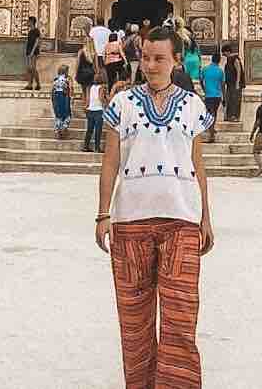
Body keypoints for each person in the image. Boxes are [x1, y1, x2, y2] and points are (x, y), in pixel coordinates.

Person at [96, 26, 215, 389]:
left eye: (159, 58)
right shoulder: (122, 104)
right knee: (135, 322)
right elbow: (110, 161)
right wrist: (103, 214)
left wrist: (206, 217)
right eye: (145, 57)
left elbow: (197, 164)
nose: (150, 64)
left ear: (177, 60)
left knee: (181, 318)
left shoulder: (193, 105)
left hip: (181, 221)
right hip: (131, 220)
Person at [200, 52, 224, 143]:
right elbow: (222, 85)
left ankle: (211, 135)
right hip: (217, 96)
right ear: (219, 61)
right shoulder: (220, 71)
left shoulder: (205, 69)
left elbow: (201, 79)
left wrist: (204, 89)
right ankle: (212, 131)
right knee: (214, 113)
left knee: (210, 114)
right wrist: (224, 97)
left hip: (209, 95)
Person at [84, 70, 107, 152]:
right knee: (98, 130)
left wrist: (86, 107)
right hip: (98, 110)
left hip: (90, 110)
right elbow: (101, 98)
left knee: (89, 129)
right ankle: (97, 148)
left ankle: (85, 146)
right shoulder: (102, 87)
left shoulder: (89, 87)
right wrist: (106, 103)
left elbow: (87, 99)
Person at [223, 44, 246, 121]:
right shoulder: (229, 59)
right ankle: (229, 116)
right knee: (229, 99)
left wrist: (237, 82)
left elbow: (238, 70)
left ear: (228, 52)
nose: (223, 55)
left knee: (235, 100)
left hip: (235, 83)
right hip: (230, 84)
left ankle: (234, 116)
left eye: (224, 53)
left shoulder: (235, 59)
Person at [51, 65, 72, 139]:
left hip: (56, 98)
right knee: (66, 115)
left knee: (58, 115)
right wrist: (71, 98)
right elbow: (70, 89)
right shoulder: (67, 79)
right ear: (65, 72)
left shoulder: (55, 79)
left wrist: (53, 100)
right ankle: (63, 131)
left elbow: (52, 91)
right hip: (64, 97)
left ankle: (58, 132)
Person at [76, 37, 97, 103]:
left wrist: (76, 73)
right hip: (90, 73)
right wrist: (96, 72)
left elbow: (78, 63)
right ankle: (88, 104)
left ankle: (84, 103)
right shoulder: (94, 53)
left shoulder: (81, 52)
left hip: (82, 72)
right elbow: (95, 65)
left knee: (84, 90)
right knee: (89, 90)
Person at [24, 16, 41, 91]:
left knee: (33, 68)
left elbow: (37, 42)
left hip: (33, 51)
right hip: (29, 50)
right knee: (29, 68)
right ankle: (29, 84)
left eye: (28, 21)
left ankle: (38, 84)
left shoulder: (36, 31)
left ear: (31, 22)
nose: (27, 23)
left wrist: (32, 52)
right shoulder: (30, 31)